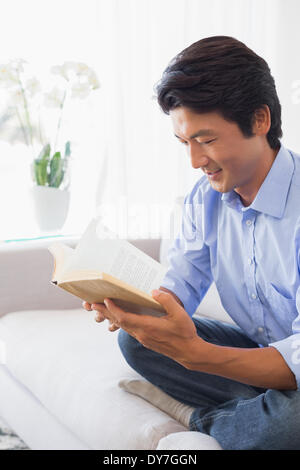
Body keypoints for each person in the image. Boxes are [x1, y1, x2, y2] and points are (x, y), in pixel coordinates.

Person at [83, 36, 300, 450]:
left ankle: (202, 418)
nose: (196, 161)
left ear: (259, 120)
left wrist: (197, 355)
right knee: (135, 341)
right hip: (261, 352)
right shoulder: (206, 199)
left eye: (207, 140)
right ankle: (258, 409)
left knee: (290, 426)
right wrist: (131, 305)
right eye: (185, 143)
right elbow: (177, 288)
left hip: (291, 360)